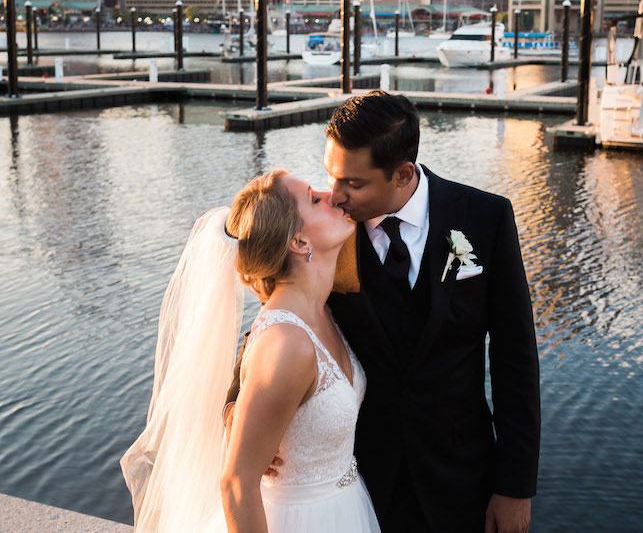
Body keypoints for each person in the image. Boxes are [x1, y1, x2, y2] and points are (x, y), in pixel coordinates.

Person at [227, 91, 541, 532]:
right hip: (364, 482)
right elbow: (277, 316)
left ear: (401, 173)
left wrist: (515, 486)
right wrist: (235, 405)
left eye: (352, 183)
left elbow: (516, 360)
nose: (335, 196)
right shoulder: (328, 238)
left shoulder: (485, 218)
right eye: (330, 177)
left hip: (463, 477)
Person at [121, 171, 381, 532]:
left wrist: (235, 408)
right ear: (299, 240)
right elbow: (236, 483)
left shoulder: (321, 310)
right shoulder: (286, 343)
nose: (331, 195)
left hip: (344, 509)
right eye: (315, 198)